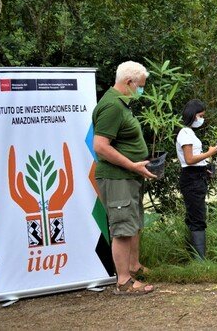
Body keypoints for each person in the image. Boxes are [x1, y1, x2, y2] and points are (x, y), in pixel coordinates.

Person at [93, 61, 156, 294]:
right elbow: (100, 146)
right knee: (122, 228)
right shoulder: (112, 106)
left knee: (133, 222)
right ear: (129, 82)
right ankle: (124, 282)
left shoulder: (121, 104)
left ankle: (134, 266)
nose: (141, 90)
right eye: (140, 86)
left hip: (128, 176)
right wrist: (132, 165)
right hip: (117, 177)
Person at [176, 99, 217, 260]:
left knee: (195, 214)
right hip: (191, 178)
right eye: (200, 115)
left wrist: (205, 166)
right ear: (193, 115)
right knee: (197, 217)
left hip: (197, 176)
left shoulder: (190, 133)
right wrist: (210, 153)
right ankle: (199, 260)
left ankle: (194, 254)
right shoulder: (185, 133)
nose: (202, 119)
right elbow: (189, 159)